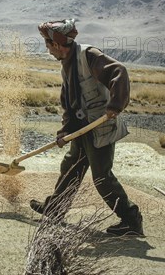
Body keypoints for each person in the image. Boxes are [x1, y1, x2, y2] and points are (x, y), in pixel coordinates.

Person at [31, 18, 143, 236]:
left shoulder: (88, 55)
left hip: (100, 127)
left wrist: (115, 105)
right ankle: (55, 209)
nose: (47, 50)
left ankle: (131, 220)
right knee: (71, 167)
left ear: (56, 44)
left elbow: (119, 72)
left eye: (47, 44)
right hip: (82, 129)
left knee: (102, 177)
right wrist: (65, 131)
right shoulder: (67, 63)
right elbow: (69, 101)